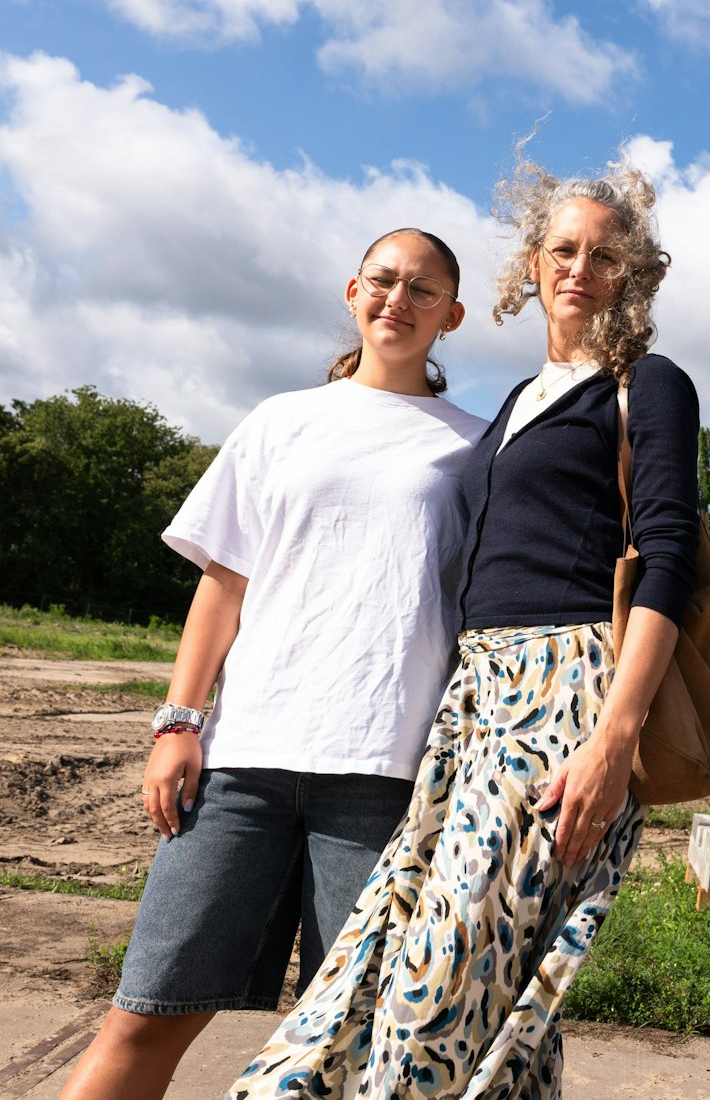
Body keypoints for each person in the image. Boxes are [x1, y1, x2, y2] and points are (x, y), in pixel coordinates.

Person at [227, 156, 699, 1098]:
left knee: (435, 990)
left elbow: (670, 560)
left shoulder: (648, 383)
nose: (579, 267)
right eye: (561, 248)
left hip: (565, 697)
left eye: (604, 255)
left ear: (632, 274)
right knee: (452, 984)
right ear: (530, 264)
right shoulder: (512, 404)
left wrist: (614, 739)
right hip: (472, 700)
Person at [59, 230, 486, 1100]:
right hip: (243, 763)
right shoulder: (281, 420)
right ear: (351, 291)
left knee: (359, 1045)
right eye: (382, 280)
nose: (397, 299)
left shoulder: (476, 448)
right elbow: (223, 587)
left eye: (422, 288)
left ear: (453, 314)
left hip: (380, 775)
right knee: (143, 1012)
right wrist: (179, 722)